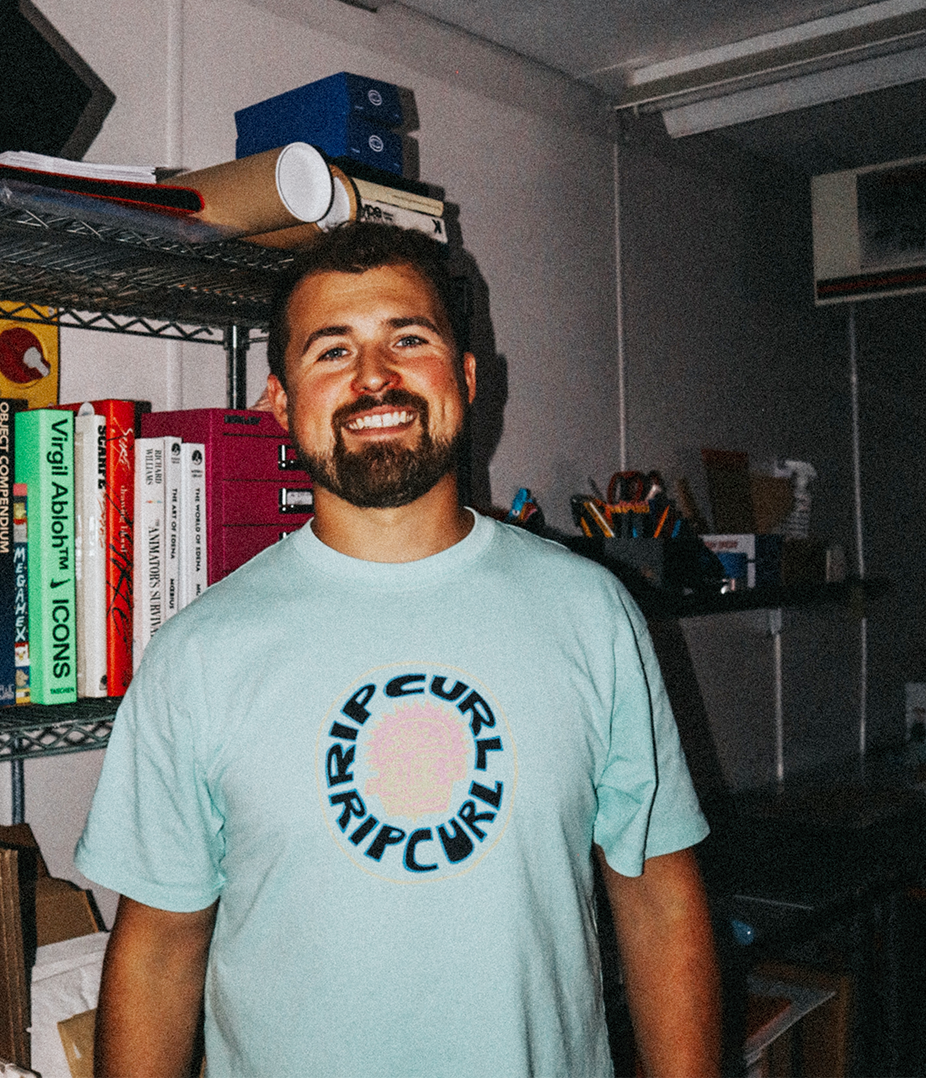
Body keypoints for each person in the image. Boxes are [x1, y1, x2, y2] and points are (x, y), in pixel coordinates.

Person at [75, 224, 720, 1078]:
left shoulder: (591, 613)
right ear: (279, 401)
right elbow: (157, 952)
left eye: (407, 339)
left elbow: (659, 901)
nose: (374, 376)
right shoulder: (199, 655)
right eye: (332, 351)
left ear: (468, 376)